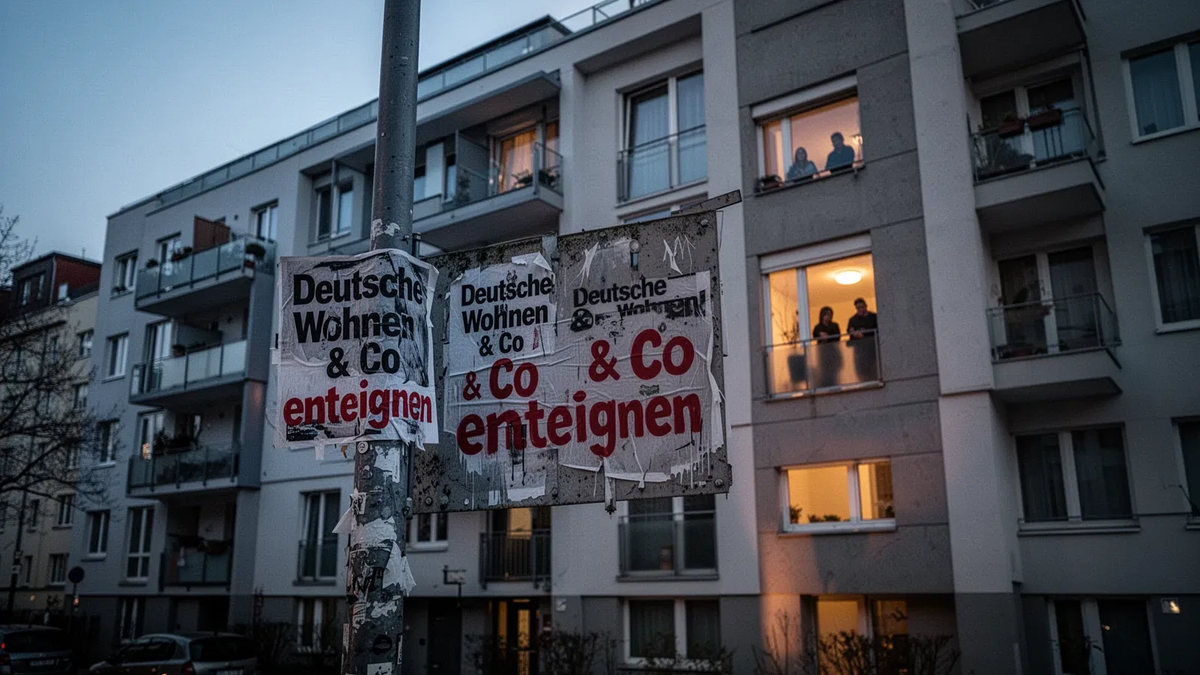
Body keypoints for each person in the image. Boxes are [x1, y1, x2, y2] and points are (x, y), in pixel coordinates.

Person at [846, 298, 878, 381]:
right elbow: (850, 334)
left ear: (865, 306)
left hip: (872, 351)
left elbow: (877, 331)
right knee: (862, 374)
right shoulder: (853, 320)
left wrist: (864, 333)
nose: (860, 309)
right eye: (858, 308)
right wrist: (855, 334)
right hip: (860, 353)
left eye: (861, 307)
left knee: (874, 372)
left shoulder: (874, 317)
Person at [812, 306, 842, 389]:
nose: (828, 317)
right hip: (822, 354)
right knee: (823, 371)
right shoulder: (818, 327)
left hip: (833, 353)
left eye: (830, 315)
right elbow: (814, 336)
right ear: (822, 315)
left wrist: (828, 337)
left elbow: (838, 337)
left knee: (834, 373)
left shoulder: (834, 325)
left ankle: (835, 387)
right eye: (826, 314)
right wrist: (820, 336)